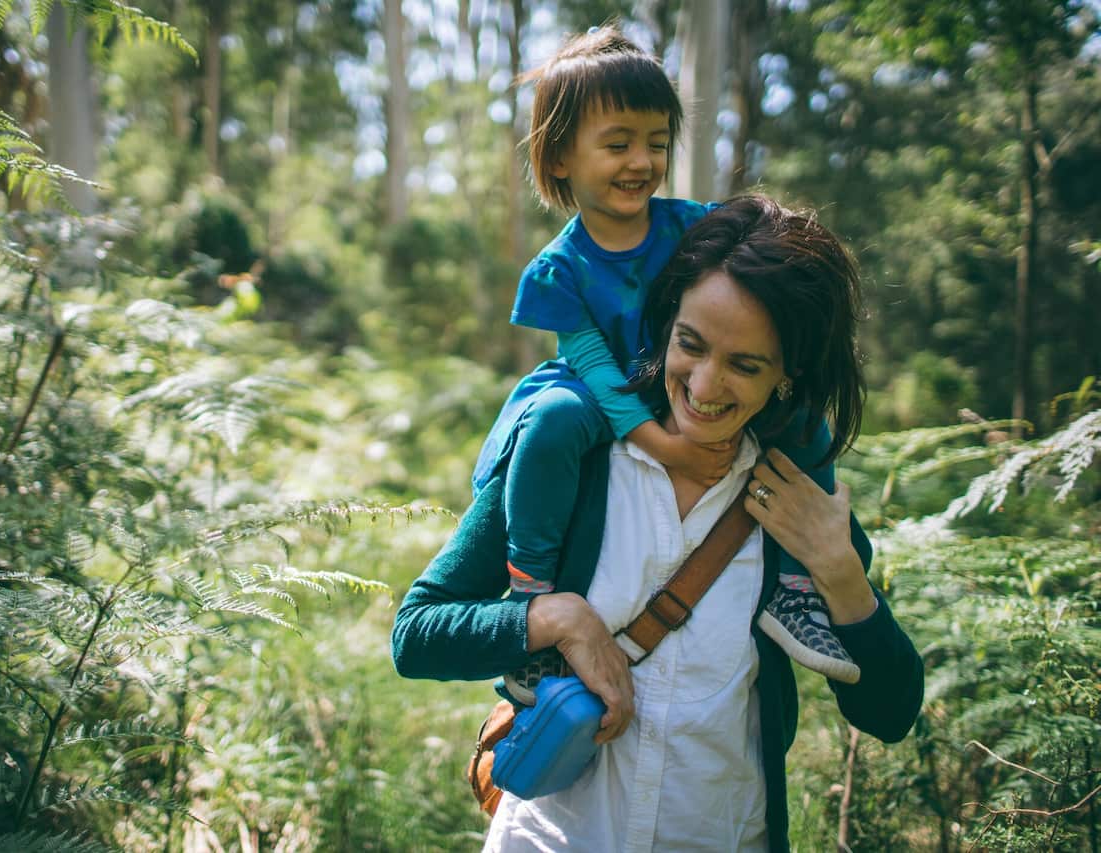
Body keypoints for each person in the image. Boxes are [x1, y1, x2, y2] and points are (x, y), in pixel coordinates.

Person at [392, 195, 925, 851]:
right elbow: (416, 635)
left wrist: (841, 574)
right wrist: (553, 617)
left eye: (745, 364)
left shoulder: (794, 499)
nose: (704, 384)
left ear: (789, 374)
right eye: (690, 345)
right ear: (666, 321)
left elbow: (890, 713)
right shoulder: (570, 461)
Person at [474, 25, 859, 699]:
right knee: (556, 420)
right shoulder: (556, 273)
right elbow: (595, 368)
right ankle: (529, 596)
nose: (641, 161)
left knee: (801, 412)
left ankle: (798, 592)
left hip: (681, 380)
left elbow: (767, 251)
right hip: (604, 394)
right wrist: (665, 447)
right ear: (560, 156)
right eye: (617, 143)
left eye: (656, 142)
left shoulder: (694, 225)